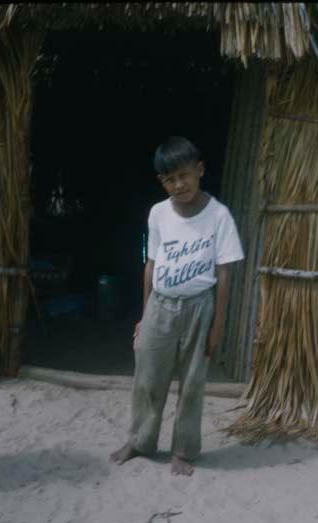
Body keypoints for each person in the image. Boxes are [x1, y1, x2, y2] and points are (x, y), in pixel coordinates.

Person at [110, 136, 244, 475]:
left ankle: (183, 450)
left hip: (200, 308)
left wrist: (218, 327)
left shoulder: (219, 216)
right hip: (160, 305)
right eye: (169, 179)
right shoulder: (158, 214)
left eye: (184, 175)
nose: (178, 184)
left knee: (193, 382)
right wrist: (145, 315)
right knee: (147, 378)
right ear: (161, 182)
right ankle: (141, 441)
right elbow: (150, 265)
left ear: (199, 170)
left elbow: (224, 274)